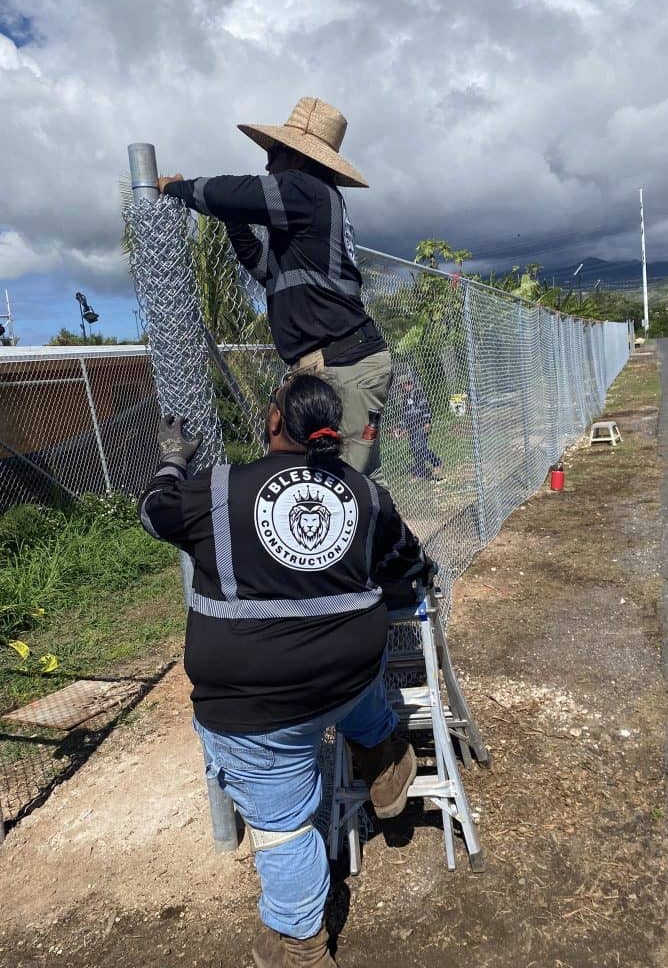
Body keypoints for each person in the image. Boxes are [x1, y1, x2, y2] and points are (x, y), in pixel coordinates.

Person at [138, 374, 434, 968]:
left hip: (256, 707)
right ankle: (381, 757)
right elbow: (406, 560)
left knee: (283, 827)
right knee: (360, 688)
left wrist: (172, 463)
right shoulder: (367, 494)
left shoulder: (217, 488)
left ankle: (300, 944)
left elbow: (153, 513)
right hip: (347, 677)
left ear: (275, 422)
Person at [157, 96, 391, 486]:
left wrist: (180, 189)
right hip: (332, 362)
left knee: (349, 487)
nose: (268, 162)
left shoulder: (308, 190)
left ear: (299, 158)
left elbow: (234, 192)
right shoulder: (311, 212)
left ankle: (382, 548)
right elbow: (263, 265)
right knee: (327, 483)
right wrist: (234, 219)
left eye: (276, 152)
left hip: (343, 364)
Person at [395, 374, 443, 481]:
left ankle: (437, 463)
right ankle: (420, 471)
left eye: (403, 385)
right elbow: (404, 415)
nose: (402, 388)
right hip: (412, 427)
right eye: (401, 386)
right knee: (414, 450)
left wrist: (427, 422)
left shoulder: (419, 393)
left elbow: (425, 407)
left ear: (409, 384)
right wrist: (400, 426)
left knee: (420, 448)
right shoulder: (404, 398)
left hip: (421, 425)